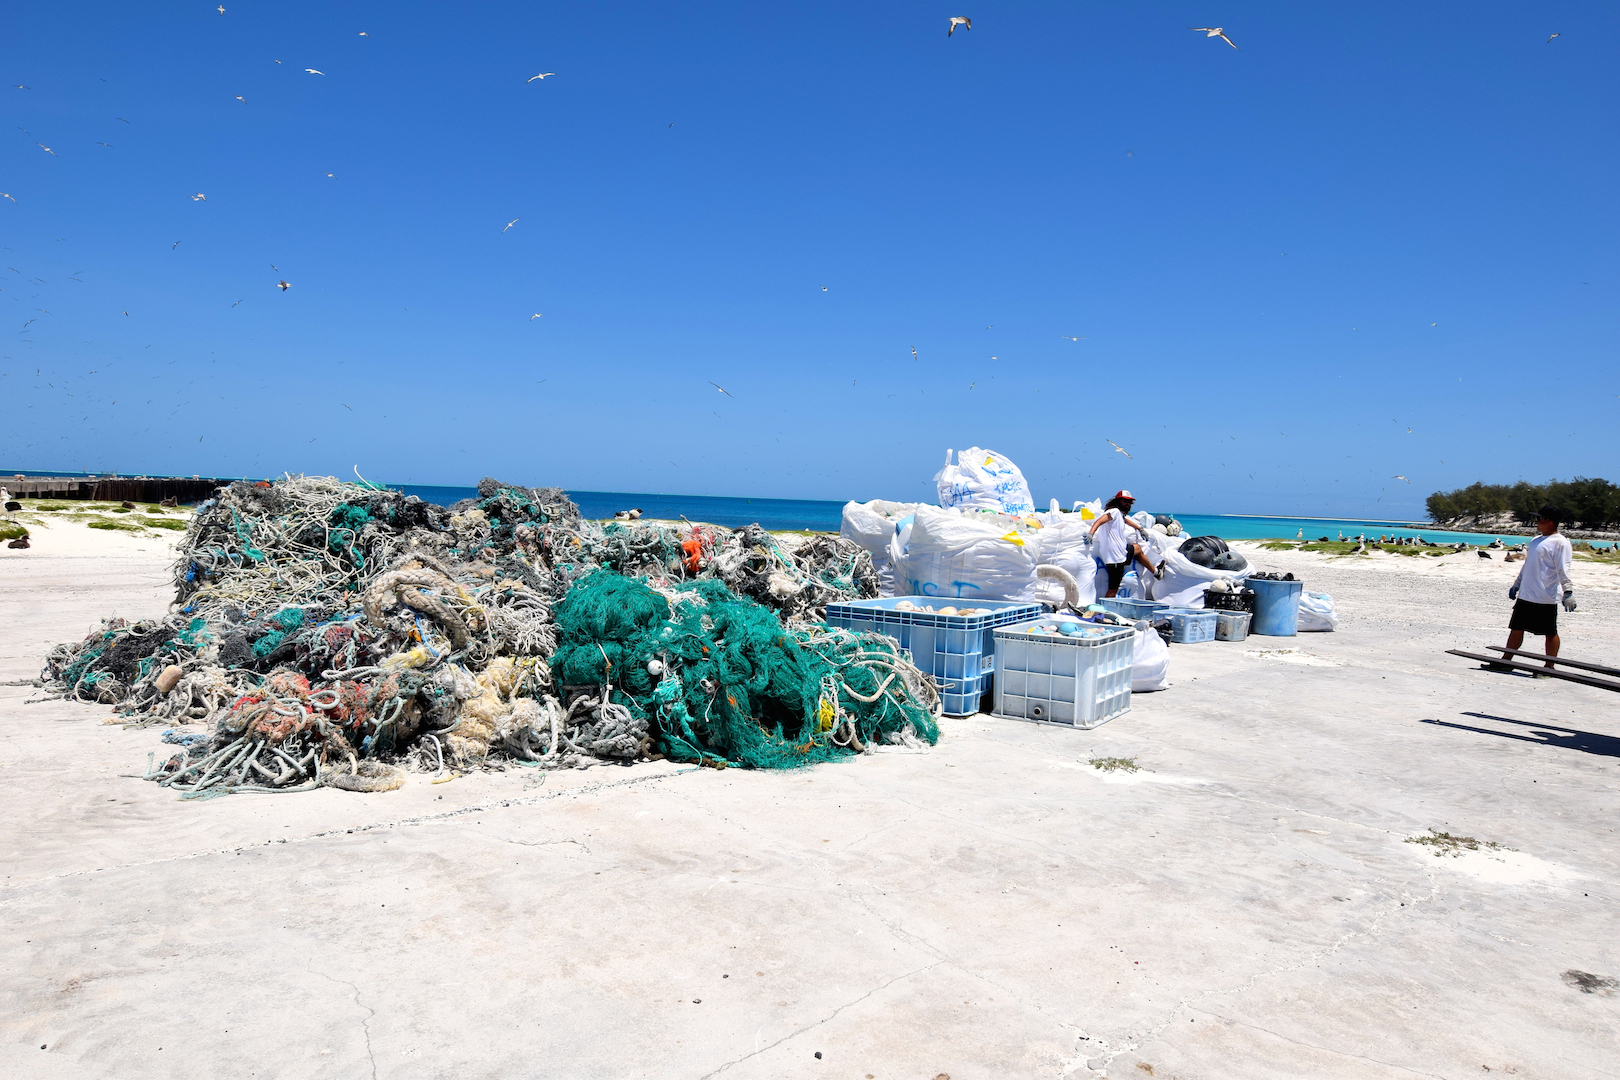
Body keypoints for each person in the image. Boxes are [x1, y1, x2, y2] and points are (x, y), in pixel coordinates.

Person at [1499, 504, 1576, 671]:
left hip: (1545, 595)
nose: (1536, 522)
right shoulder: (1535, 541)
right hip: (1527, 593)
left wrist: (1568, 592)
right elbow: (1527, 565)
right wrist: (1517, 584)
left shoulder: (1561, 543)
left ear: (1549, 521)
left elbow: (1564, 568)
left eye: (1538, 519)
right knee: (1516, 628)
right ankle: (1506, 660)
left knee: (1550, 631)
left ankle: (1549, 665)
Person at [1089, 490, 1162, 598]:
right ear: (1118, 501)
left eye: (1129, 502)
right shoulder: (1113, 512)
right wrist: (1090, 533)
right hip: (1115, 557)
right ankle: (1103, 611)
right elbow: (1099, 521)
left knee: (1137, 549)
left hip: (1119, 553)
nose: (1127, 504)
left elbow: (1125, 520)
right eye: (1124, 501)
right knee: (1113, 588)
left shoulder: (1118, 514)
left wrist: (1140, 528)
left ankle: (1155, 572)